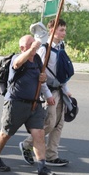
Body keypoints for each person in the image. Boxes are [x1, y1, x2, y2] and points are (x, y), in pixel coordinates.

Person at [0, 35, 57, 175]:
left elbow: (41, 78)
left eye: (34, 43)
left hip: (34, 104)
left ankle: (42, 167)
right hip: (16, 103)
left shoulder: (37, 60)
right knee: (6, 133)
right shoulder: (17, 58)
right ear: (22, 48)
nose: (35, 46)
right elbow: (17, 64)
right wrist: (31, 49)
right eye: (30, 44)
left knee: (38, 134)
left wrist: (45, 86)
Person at [20, 19, 72, 167]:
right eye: (61, 30)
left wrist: (66, 90)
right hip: (48, 90)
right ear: (51, 30)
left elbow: (63, 71)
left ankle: (51, 155)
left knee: (59, 124)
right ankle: (26, 144)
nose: (64, 33)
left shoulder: (61, 46)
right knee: (50, 122)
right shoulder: (45, 48)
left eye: (64, 30)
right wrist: (47, 94)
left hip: (60, 90)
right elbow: (40, 73)